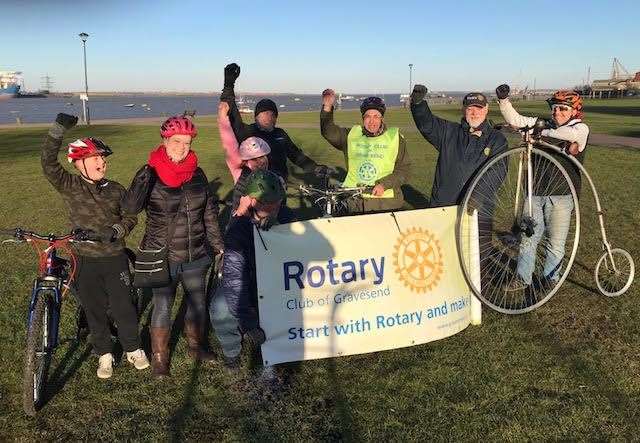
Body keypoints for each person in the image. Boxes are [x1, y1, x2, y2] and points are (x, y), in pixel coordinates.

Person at [41, 113, 149, 379]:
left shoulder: (116, 189)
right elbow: (48, 164)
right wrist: (58, 129)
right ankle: (104, 353)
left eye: (103, 158)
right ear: (79, 163)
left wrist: (118, 230)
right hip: (85, 259)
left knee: (124, 306)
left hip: (114, 257)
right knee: (94, 308)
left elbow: (130, 216)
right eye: (95, 158)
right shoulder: (70, 185)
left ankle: (133, 348)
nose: (102, 162)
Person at [125, 116, 224, 377]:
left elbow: (209, 213)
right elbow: (131, 208)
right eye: (176, 141)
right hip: (163, 255)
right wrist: (141, 179)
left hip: (197, 253)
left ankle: (196, 346)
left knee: (197, 303)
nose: (182, 147)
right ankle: (160, 357)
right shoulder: (152, 173)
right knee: (163, 306)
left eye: (187, 142)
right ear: (165, 141)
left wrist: (218, 244)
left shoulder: (198, 173)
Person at [496, 85, 589, 292]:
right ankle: (522, 278)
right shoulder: (544, 123)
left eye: (563, 109)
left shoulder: (580, 129)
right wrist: (504, 101)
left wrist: (538, 133)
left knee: (554, 243)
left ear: (574, 111)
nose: (557, 112)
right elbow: (517, 121)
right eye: (555, 108)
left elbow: (565, 134)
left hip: (562, 195)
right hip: (534, 192)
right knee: (528, 239)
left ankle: (550, 279)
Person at [209, 169, 285, 368]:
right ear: (251, 201)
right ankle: (232, 350)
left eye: (276, 203)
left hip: (276, 281)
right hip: (248, 281)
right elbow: (235, 282)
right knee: (221, 308)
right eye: (266, 203)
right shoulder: (238, 230)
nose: (273, 208)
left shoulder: (287, 219)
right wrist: (249, 324)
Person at [220, 63, 328, 183]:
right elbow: (231, 113)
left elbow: (295, 155)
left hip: (279, 187)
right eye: (263, 113)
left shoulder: (280, 134)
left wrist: (314, 168)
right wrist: (229, 85)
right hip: (255, 188)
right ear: (256, 117)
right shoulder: (248, 132)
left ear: (276, 118)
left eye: (272, 114)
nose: (268, 117)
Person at [410, 85, 508, 207]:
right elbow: (428, 125)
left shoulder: (497, 139)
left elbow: (497, 170)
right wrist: (418, 104)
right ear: (463, 110)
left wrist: (477, 197)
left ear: (486, 109)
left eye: (479, 108)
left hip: (477, 209)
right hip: (443, 205)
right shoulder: (448, 131)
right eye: (470, 109)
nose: (474, 113)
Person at [319, 89, 411, 213]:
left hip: (386, 204)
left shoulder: (395, 139)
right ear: (363, 118)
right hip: (356, 203)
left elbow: (404, 170)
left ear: (382, 118)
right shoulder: (351, 136)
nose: (372, 121)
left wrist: (384, 184)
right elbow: (329, 132)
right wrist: (327, 107)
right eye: (367, 116)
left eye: (376, 116)